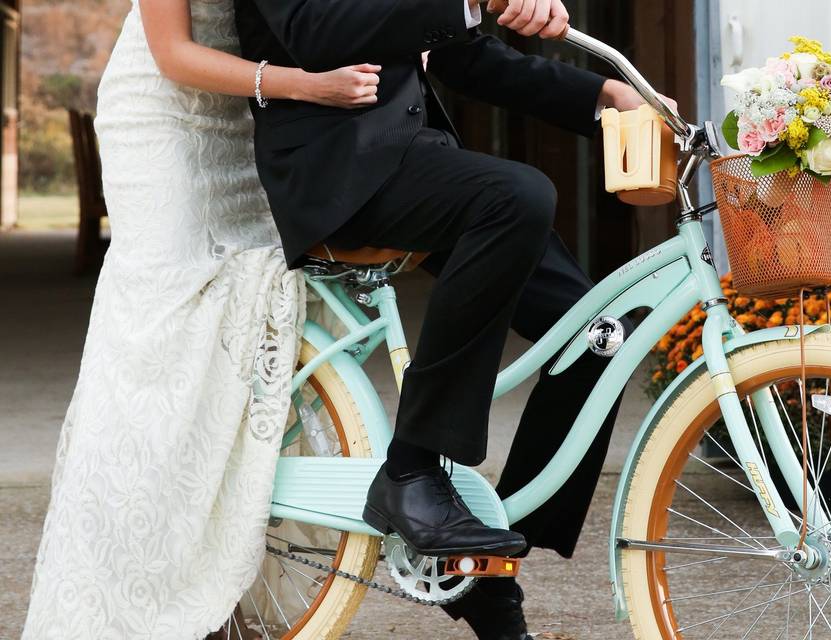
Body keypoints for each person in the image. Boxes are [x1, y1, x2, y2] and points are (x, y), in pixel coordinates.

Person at [233, 0, 677, 637]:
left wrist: (606, 93)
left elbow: (459, 55)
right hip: (335, 172)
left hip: (412, 160)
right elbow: (313, 30)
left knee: (597, 329)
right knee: (517, 196)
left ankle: (486, 559)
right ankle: (410, 471)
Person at [20, 2, 382, 639]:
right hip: (164, 118)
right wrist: (307, 86)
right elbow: (173, 53)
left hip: (245, 114)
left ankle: (211, 583)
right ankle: (135, 594)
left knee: (239, 337)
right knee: (167, 349)